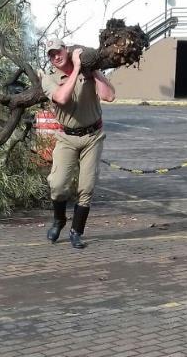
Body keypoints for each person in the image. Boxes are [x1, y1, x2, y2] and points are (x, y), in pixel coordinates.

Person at [41, 37, 116, 248]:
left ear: (66, 50)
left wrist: (93, 70)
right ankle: (59, 220)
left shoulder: (88, 71)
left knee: (87, 187)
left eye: (58, 51)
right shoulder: (49, 79)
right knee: (57, 185)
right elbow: (62, 98)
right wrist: (76, 70)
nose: (55, 56)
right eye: (51, 55)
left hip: (92, 136)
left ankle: (76, 231)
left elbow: (109, 96)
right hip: (66, 138)